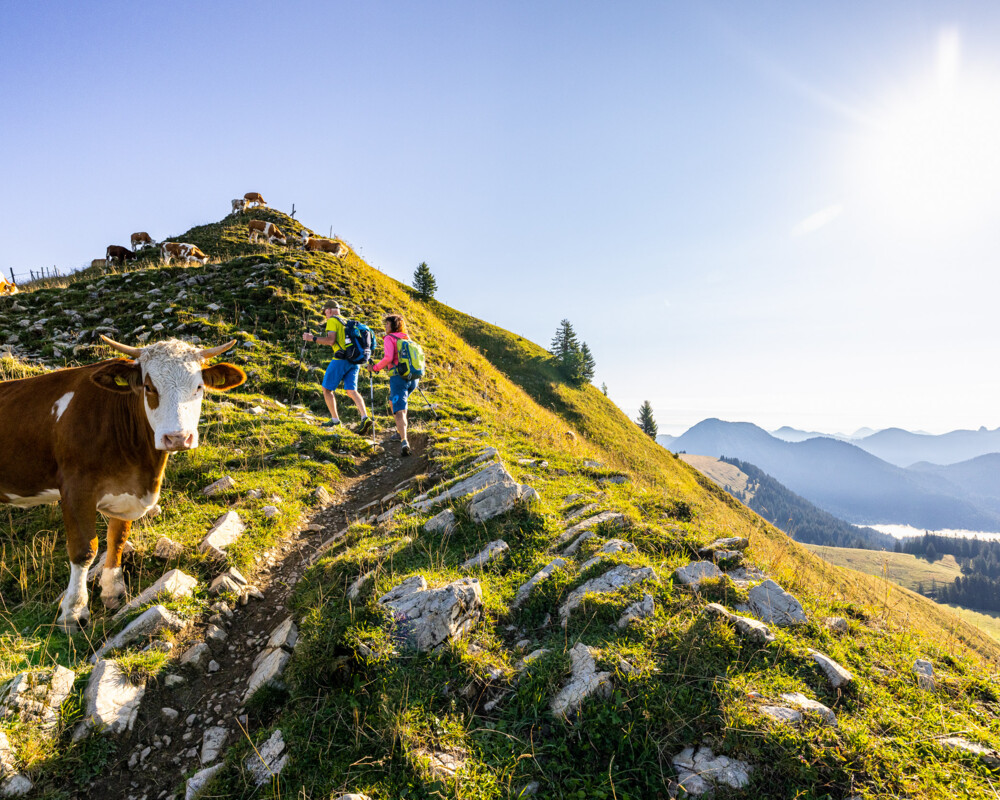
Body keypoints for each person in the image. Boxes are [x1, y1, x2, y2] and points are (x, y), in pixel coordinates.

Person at [302, 302, 372, 434]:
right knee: (352, 390)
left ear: (329, 310)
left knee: (327, 389)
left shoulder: (333, 321)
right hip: (354, 360)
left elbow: (330, 340)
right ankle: (364, 417)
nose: (325, 315)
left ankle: (335, 420)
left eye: (325, 312)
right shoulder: (347, 321)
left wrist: (312, 338)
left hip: (340, 359)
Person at [369, 313, 417, 456]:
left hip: (398, 377)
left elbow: (388, 357)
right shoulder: (406, 338)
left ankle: (404, 440)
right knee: (395, 403)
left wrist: (375, 368)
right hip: (413, 377)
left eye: (387, 324)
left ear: (392, 326)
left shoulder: (390, 338)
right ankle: (399, 431)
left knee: (399, 410)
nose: (385, 327)